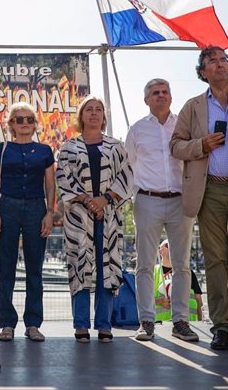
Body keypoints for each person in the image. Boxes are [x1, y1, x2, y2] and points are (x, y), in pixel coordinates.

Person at [170, 46, 228, 352]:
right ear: (203, 71)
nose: (220, 65)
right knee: (215, 260)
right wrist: (201, 145)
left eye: (224, 60)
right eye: (213, 61)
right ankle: (220, 326)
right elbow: (176, 146)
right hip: (210, 190)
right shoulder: (193, 106)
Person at [124, 78, 198, 342]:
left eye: (165, 91)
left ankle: (180, 322)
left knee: (181, 265)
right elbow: (129, 166)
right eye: (155, 92)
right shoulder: (136, 130)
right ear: (146, 99)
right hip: (147, 201)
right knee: (144, 265)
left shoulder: (184, 125)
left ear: (171, 96)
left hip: (181, 200)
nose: (161, 96)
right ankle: (146, 321)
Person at [56, 96, 133, 343]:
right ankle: (80, 324)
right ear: (81, 116)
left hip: (109, 216)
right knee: (80, 268)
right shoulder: (69, 147)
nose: (94, 113)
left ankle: (104, 324)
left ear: (103, 116)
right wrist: (89, 201)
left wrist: (105, 200)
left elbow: (127, 176)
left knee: (107, 267)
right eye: (88, 109)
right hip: (79, 218)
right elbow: (63, 177)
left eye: (98, 109)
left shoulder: (117, 146)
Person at [0, 102, 55, 342]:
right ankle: (7, 324)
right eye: (19, 119)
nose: (24, 123)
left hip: (37, 207)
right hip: (8, 207)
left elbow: (50, 185)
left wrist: (50, 212)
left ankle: (33, 324)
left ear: (35, 124)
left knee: (35, 268)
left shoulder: (45, 150)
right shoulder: (2, 149)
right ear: (11, 125)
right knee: (6, 269)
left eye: (29, 119)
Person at [154, 239, 203, 322]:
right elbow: (143, 300)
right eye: (167, 245)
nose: (173, 247)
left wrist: (200, 322)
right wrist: (159, 301)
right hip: (162, 326)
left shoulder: (187, 272)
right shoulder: (154, 272)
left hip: (188, 325)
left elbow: (198, 300)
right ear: (160, 251)